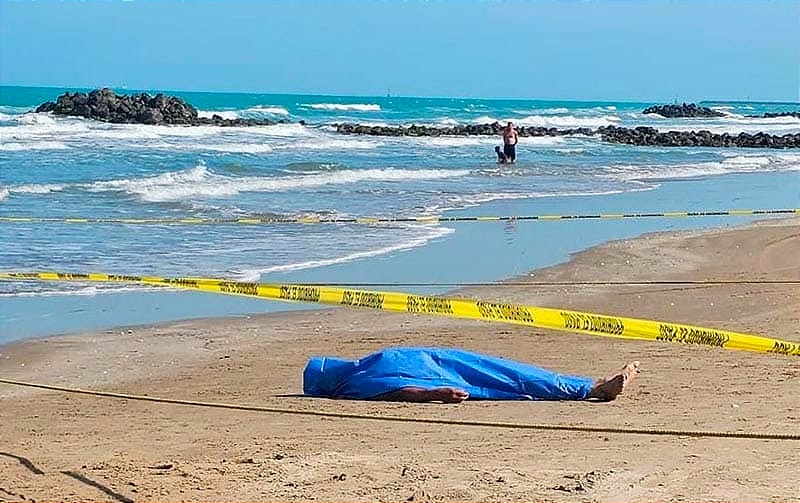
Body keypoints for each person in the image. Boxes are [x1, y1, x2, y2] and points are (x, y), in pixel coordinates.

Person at [303, 347, 639, 403]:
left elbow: (394, 387)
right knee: (514, 380)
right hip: (448, 371)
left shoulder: (358, 374)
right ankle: (592, 388)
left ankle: (592, 386)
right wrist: (436, 394)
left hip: (447, 362)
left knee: (514, 376)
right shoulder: (356, 382)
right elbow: (397, 390)